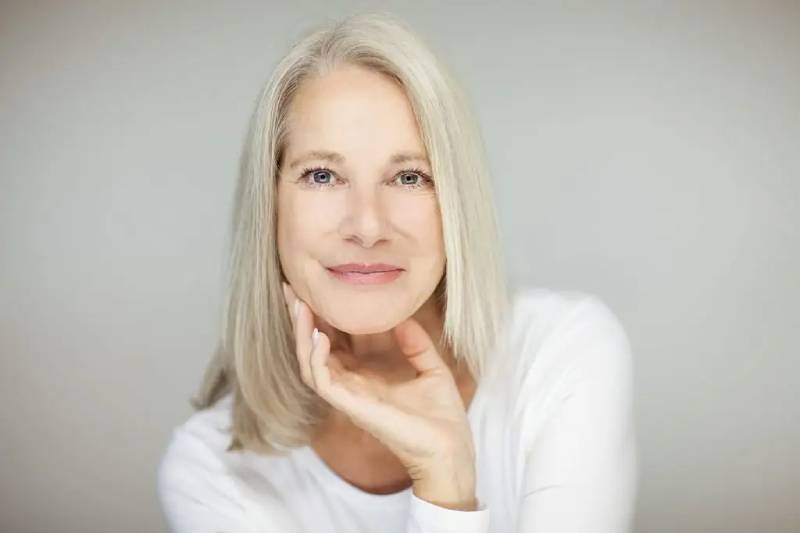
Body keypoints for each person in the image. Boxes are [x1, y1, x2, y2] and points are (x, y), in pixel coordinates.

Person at [156, 11, 638, 533]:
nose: (367, 226)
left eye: (409, 177)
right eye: (322, 175)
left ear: (455, 201)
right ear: (269, 206)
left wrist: (445, 481)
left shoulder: (559, 354)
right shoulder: (211, 471)